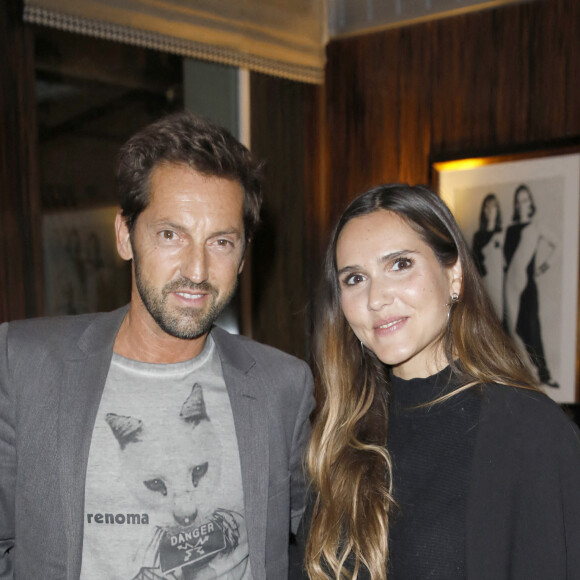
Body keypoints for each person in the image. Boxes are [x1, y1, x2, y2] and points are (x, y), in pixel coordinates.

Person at [0, 111, 314, 580]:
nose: (198, 270)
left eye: (222, 242)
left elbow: (325, 545)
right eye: (171, 235)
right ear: (126, 236)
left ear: (244, 255)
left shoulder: (282, 386)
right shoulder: (23, 362)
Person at [298, 184, 580, 580]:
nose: (376, 298)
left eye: (399, 264)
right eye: (355, 279)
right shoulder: (339, 436)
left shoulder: (530, 432)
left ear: (455, 276)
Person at [504, 183, 558, 388]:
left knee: (532, 329)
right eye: (519, 201)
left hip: (528, 285)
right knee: (511, 329)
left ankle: (542, 374)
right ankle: (521, 376)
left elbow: (557, 245)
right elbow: (506, 262)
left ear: (531, 202)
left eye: (525, 199)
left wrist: (544, 266)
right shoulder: (510, 230)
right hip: (511, 282)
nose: (522, 204)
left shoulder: (537, 226)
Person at [471, 193, 504, 316]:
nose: (490, 210)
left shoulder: (502, 235)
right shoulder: (478, 236)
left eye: (493, 206)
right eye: (487, 207)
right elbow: (475, 263)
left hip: (499, 283)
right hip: (484, 284)